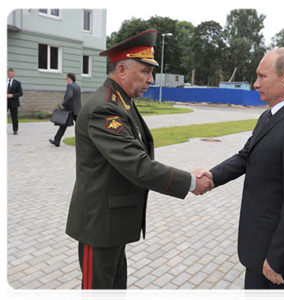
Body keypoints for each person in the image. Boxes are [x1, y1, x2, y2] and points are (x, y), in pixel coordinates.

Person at [65, 29, 214, 300]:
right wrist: (191, 182)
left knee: (113, 289)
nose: (151, 79)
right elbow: (138, 166)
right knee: (98, 293)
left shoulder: (122, 101)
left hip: (112, 223)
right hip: (99, 224)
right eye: (145, 71)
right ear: (122, 69)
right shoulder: (105, 108)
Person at [195, 48, 284, 300]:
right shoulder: (270, 115)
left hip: (275, 253)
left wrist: (278, 258)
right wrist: (211, 176)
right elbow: (246, 156)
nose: (255, 84)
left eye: (262, 76)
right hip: (260, 245)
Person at [49, 73, 82, 147]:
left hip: (71, 109)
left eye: (66, 78)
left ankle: (57, 141)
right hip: (77, 109)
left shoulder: (70, 86)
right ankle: (56, 141)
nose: (66, 80)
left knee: (65, 125)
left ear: (70, 78)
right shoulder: (77, 86)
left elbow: (70, 96)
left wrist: (63, 105)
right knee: (65, 125)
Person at [5, 68, 23, 135]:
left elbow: (20, 93)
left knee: (14, 116)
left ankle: (15, 130)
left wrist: (12, 95)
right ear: (7, 74)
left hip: (13, 102)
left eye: (12, 73)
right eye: (10, 73)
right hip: (5, 101)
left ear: (14, 74)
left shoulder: (17, 83)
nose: (11, 74)